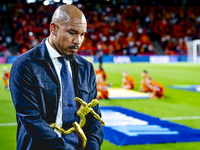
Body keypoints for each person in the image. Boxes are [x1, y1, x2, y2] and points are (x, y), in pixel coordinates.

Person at [9, 5, 103, 150]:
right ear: (53, 28)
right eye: (72, 32)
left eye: (82, 34)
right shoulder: (25, 65)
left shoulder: (87, 68)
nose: (78, 41)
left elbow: (94, 117)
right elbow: (31, 119)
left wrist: (93, 146)